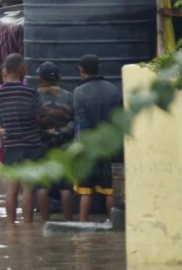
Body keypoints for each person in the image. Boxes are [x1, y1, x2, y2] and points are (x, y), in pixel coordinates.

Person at [0, 53, 43, 224]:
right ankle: (27, 226)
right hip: (31, 144)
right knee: (28, 189)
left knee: (11, 188)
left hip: (11, 145)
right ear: (21, 69)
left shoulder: (0, 94)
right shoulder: (30, 92)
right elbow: (39, 117)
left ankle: (10, 225)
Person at [72, 53, 124, 222]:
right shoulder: (114, 90)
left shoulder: (79, 92)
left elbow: (81, 124)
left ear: (81, 70)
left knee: (86, 190)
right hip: (111, 146)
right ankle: (113, 223)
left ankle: (83, 226)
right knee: (109, 189)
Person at [34, 61, 76, 219]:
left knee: (42, 186)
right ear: (59, 77)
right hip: (64, 146)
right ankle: (68, 220)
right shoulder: (68, 96)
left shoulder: (34, 97)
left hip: (41, 145)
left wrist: (44, 133)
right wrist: (59, 132)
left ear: (40, 79)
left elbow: (31, 122)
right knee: (65, 187)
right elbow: (75, 122)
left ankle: (45, 221)